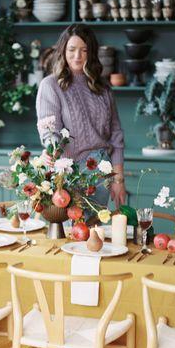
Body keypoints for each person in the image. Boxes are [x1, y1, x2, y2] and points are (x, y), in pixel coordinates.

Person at [36, 23, 126, 210]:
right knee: (69, 235)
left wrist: (118, 179)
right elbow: (49, 130)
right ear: (63, 50)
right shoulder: (51, 85)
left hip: (102, 174)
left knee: (94, 233)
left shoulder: (103, 88)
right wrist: (51, 150)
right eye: (72, 49)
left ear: (91, 53)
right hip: (70, 173)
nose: (77, 56)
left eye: (84, 50)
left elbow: (116, 137)